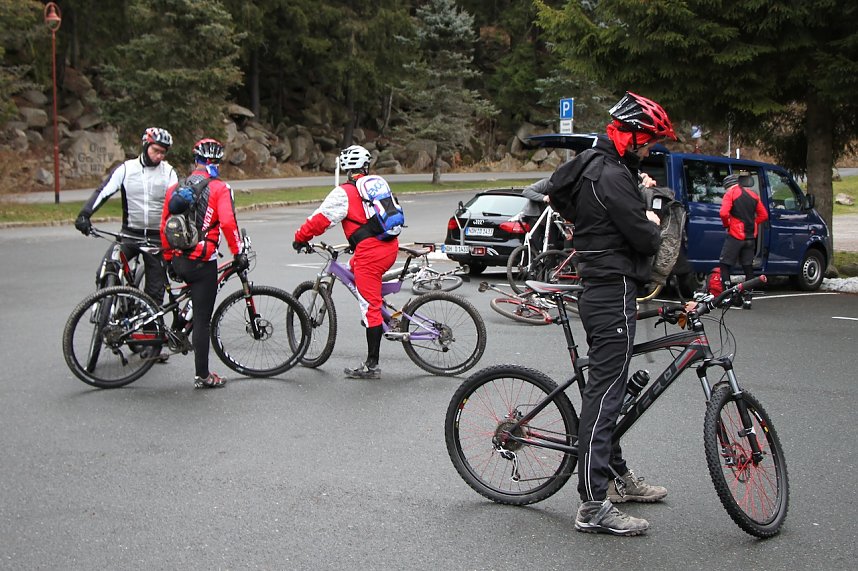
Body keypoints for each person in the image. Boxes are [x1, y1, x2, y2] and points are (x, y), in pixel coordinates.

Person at [545, 91, 677, 536]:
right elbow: (643, 238)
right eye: (649, 140)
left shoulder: (598, 165)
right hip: (609, 290)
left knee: (610, 392)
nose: (650, 149)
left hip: (604, 287)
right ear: (633, 133)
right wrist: (652, 219)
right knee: (605, 397)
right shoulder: (610, 176)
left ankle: (617, 476)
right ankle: (592, 504)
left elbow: (563, 201)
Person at [292, 145, 399, 380]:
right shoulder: (376, 185)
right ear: (365, 166)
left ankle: (372, 365)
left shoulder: (345, 192)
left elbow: (319, 221)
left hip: (372, 253)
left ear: (346, 168)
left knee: (369, 305)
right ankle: (382, 313)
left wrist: (300, 238)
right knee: (354, 268)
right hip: (389, 246)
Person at [159, 138, 247, 389]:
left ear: (195, 160)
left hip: (178, 257)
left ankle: (173, 333)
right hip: (201, 262)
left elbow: (164, 222)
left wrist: (168, 258)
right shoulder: (220, 188)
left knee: (185, 302)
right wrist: (238, 252)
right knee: (202, 318)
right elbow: (229, 225)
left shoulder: (177, 186)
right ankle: (203, 375)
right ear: (218, 162)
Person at [75, 127, 178, 303]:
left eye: (163, 152)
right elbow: (103, 191)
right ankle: (110, 310)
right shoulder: (126, 169)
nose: (159, 156)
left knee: (155, 291)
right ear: (146, 145)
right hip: (129, 235)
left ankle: (149, 327)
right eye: (156, 150)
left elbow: (177, 201)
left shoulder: (168, 172)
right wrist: (85, 214)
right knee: (107, 270)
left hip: (156, 239)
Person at [718, 173, 768, 309]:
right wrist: (754, 222)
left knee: (725, 265)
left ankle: (727, 296)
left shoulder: (731, 194)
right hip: (750, 236)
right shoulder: (753, 195)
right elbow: (764, 215)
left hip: (735, 235)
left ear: (727, 186)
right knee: (748, 268)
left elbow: (723, 213)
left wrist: (727, 224)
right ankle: (748, 299)